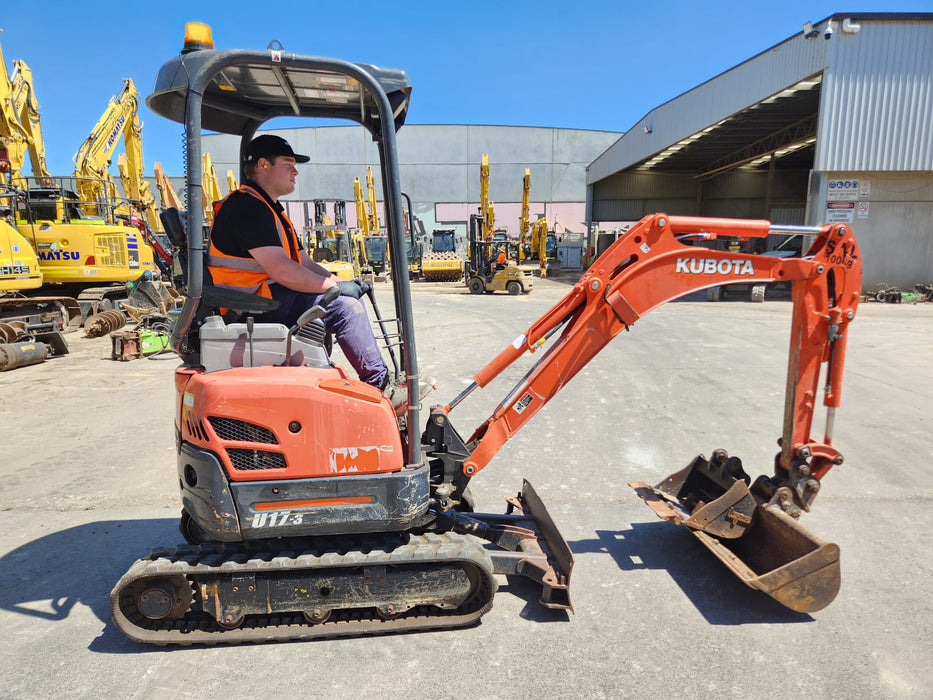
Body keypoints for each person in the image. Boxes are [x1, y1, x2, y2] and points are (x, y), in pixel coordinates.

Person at [207, 134, 390, 392]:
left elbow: (303, 262)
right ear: (263, 165)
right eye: (287, 163)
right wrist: (333, 291)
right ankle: (380, 386)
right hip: (252, 304)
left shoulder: (272, 210)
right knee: (345, 308)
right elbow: (282, 269)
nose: (295, 171)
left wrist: (341, 283)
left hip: (269, 297)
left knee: (349, 298)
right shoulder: (246, 207)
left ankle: (373, 378)